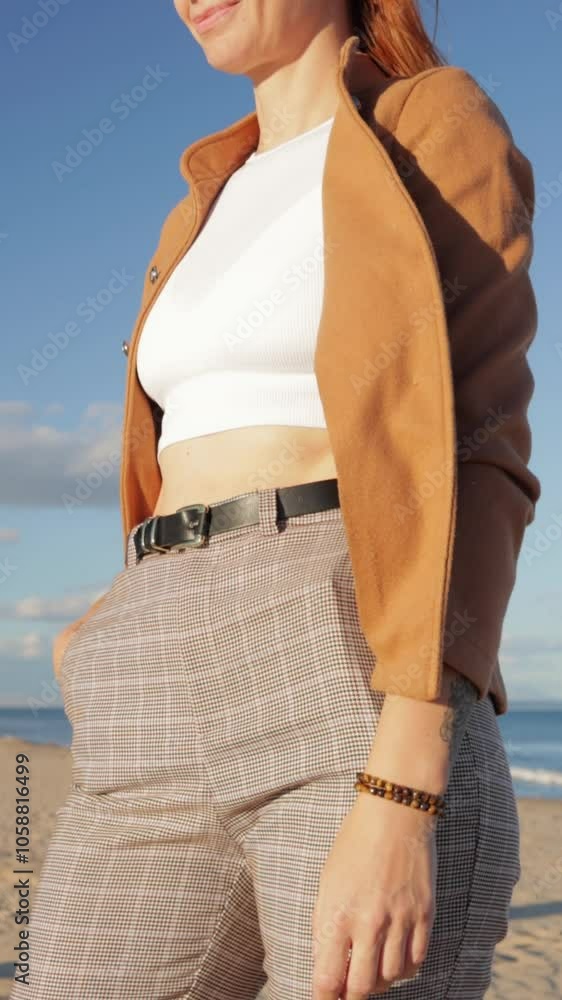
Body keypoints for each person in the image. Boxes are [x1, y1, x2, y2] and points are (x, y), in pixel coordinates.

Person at [12, 1, 540, 998]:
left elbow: (484, 449)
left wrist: (401, 781)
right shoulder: (204, 196)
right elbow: (180, 437)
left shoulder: (426, 122)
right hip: (149, 681)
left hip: (343, 648)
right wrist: (108, 619)